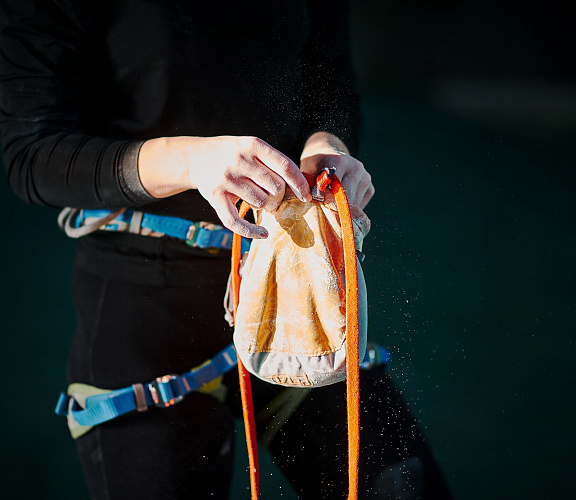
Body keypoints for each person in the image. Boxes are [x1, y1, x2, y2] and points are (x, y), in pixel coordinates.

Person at [0, 1, 453, 498]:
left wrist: (330, 151)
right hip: (145, 313)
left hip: (295, 289)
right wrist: (192, 160)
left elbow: (330, 90)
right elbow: (30, 152)